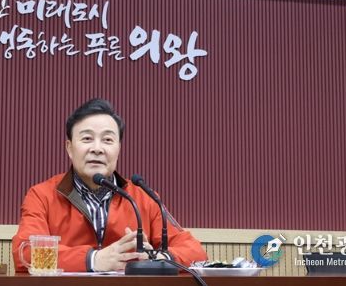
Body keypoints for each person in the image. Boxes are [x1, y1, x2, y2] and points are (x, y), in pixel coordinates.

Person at [12, 98, 207, 272]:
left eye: (107, 140)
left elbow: (195, 252)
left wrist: (157, 258)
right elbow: (25, 253)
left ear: (118, 149)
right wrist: (93, 259)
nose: (97, 149)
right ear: (69, 148)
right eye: (87, 138)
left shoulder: (143, 197)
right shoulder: (42, 195)